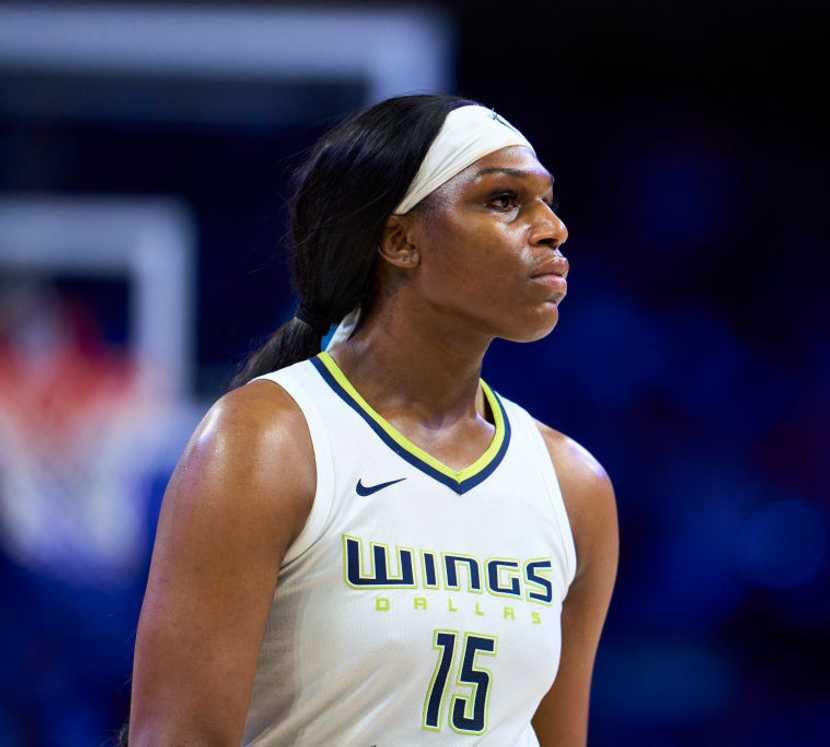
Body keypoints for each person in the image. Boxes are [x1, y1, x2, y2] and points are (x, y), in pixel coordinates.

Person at [127, 94, 618, 746]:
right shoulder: (268, 441)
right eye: (503, 200)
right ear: (400, 240)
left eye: (547, 201)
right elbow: (177, 736)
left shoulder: (573, 485)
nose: (552, 227)